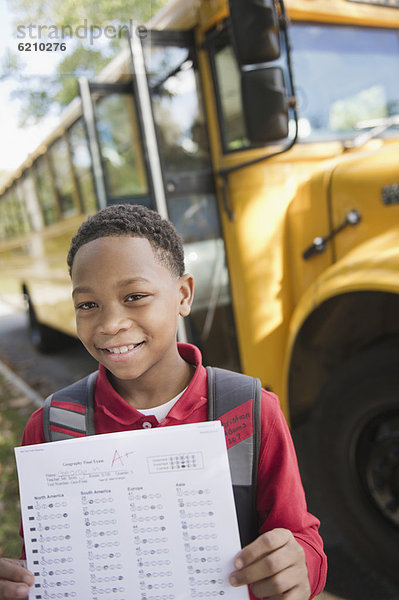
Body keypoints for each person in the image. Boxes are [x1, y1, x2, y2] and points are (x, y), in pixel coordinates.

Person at [0, 204, 327, 599]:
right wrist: (21, 584)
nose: (109, 324)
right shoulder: (52, 426)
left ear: (183, 294)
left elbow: (299, 536)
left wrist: (299, 565)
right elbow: (44, 565)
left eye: (135, 296)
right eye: (88, 305)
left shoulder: (251, 409)